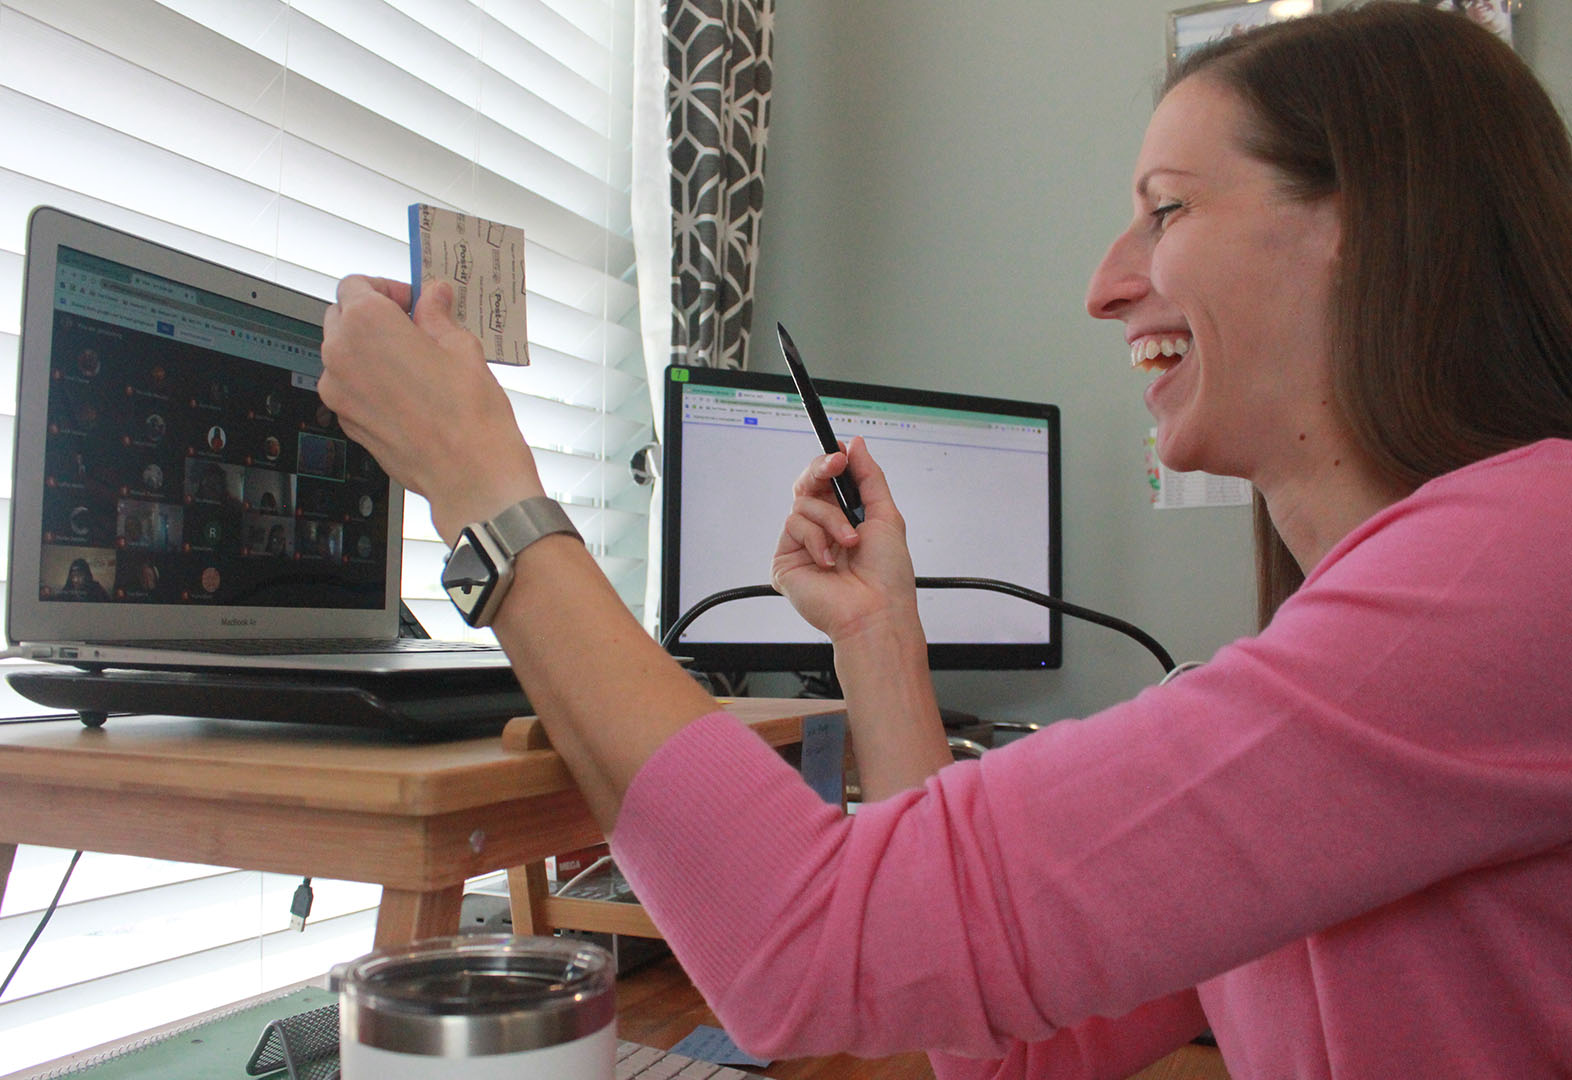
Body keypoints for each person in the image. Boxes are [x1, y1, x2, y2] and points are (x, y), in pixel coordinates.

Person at [316, 4, 1572, 1076]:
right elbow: (1003, 1045)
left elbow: (798, 943)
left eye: (1167, 211)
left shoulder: (1526, 558)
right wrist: (880, 637)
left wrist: (490, 501)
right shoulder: (1413, 626)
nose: (1105, 285)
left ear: (1370, 224)